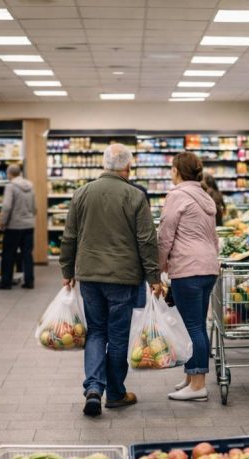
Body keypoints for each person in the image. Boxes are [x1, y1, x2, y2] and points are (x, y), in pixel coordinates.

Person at [60, 143, 164, 417]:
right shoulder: (135, 195)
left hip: (89, 276)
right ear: (127, 167)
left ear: (104, 164)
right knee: (118, 335)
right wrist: (154, 276)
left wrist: (67, 271)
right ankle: (116, 393)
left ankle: (94, 388)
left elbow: (69, 236)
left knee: (96, 331)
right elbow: (146, 240)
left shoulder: (81, 193)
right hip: (123, 277)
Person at [158, 152, 219, 402]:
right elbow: (213, 237)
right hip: (208, 267)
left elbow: (165, 235)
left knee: (192, 326)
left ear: (176, 171)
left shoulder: (177, 196)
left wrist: (158, 268)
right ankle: (191, 377)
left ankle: (198, 385)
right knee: (195, 325)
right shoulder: (205, 196)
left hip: (188, 268)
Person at [0, 164, 35, 290]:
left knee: (8, 255)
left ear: (9, 174)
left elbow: (7, 206)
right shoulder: (30, 185)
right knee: (27, 254)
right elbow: (34, 206)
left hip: (14, 226)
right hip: (29, 225)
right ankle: (29, 281)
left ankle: (6, 282)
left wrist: (2, 222)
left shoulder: (10, 186)